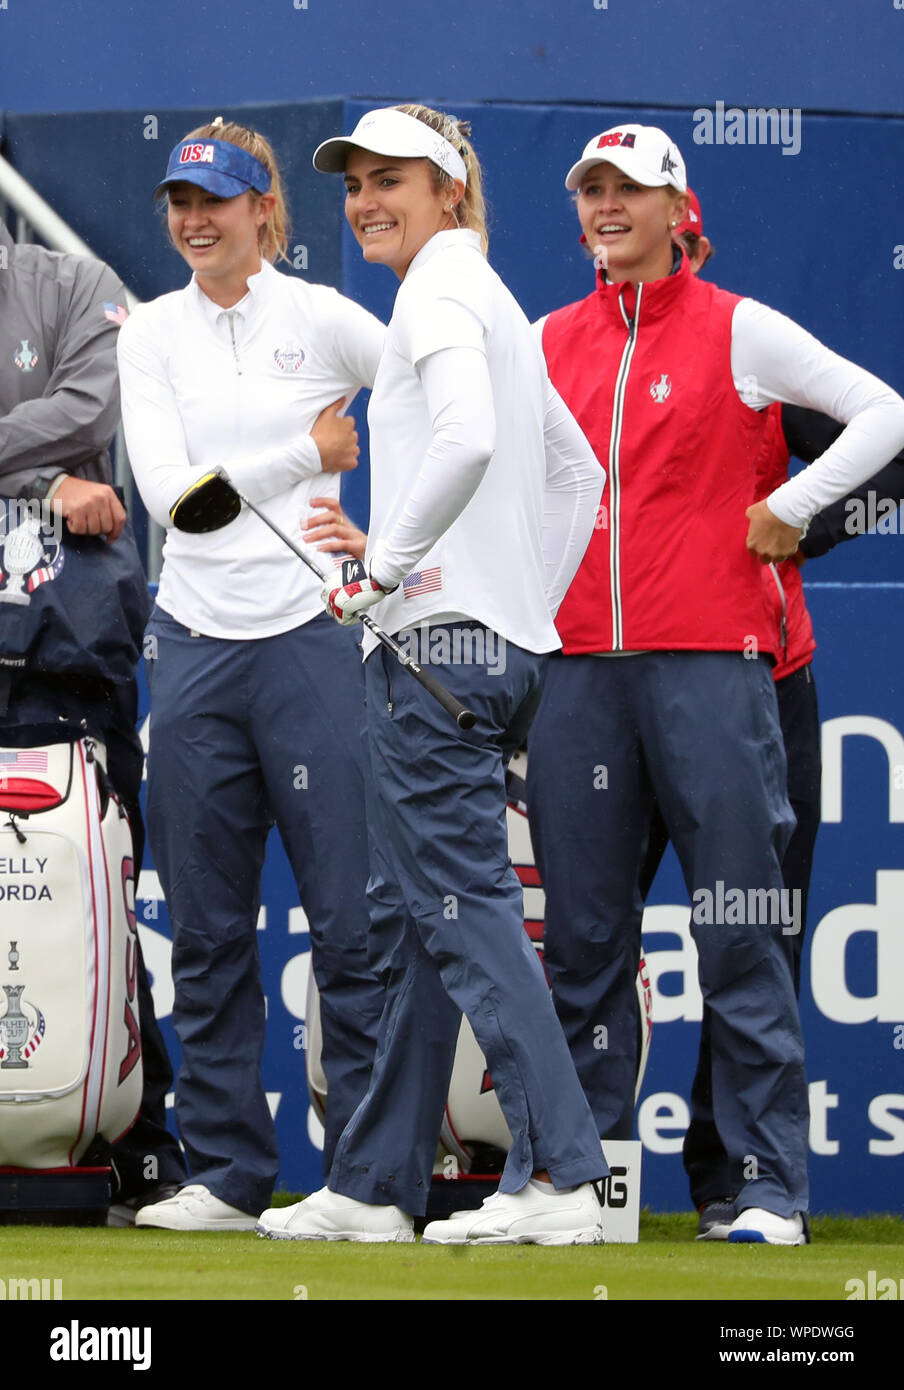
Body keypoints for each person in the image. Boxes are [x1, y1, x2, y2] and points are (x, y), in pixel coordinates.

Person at [526, 124, 904, 1245]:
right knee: (586, 940)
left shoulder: (738, 327)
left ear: (673, 208)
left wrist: (795, 507)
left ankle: (764, 1185)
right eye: (590, 190)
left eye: (628, 191)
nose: (605, 207)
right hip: (579, 672)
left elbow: (885, 414)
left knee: (738, 929)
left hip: (718, 666)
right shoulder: (547, 341)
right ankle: (585, 1189)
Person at [256, 103, 607, 1246]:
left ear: (450, 189)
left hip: (433, 650)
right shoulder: (487, 295)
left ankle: (562, 1174)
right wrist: (522, 609)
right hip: (485, 644)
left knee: (465, 917)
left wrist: (386, 575)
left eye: (390, 179)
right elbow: (579, 471)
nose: (364, 199)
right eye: (353, 181)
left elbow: (464, 439)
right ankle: (372, 1182)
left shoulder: (439, 290)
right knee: (419, 919)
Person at [116, 118, 387, 1231]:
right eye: (181, 201)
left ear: (265, 211)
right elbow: (177, 498)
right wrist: (305, 456)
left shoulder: (324, 319)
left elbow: (443, 397)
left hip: (311, 642)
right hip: (191, 645)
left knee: (351, 924)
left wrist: (396, 539)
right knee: (211, 925)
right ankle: (226, 1173)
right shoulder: (149, 331)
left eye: (216, 201)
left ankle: (367, 1178)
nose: (194, 221)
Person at [0, 215, 188, 1218]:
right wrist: (42, 480)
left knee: (98, 899)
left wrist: (49, 471)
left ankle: (141, 1142)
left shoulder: (73, 282)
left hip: (69, 646)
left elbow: (90, 405)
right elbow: (58, 444)